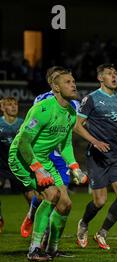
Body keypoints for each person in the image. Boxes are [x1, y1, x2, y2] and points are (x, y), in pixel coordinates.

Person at [8, 69, 87, 261]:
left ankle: (52, 249)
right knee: (52, 195)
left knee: (66, 204)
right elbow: (24, 142)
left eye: (74, 81)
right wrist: (37, 168)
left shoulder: (70, 112)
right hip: (22, 157)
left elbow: (66, 143)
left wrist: (74, 166)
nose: (73, 85)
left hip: (44, 159)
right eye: (68, 82)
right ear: (56, 87)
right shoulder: (42, 109)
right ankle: (34, 249)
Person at [74, 64, 117, 251]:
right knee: (100, 201)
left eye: (115, 74)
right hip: (96, 157)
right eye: (109, 74)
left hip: (116, 157)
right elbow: (77, 125)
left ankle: (102, 232)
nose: (114, 76)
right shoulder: (91, 99)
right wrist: (94, 141)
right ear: (100, 78)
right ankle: (83, 224)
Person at [20, 66, 81, 239]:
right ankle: (32, 213)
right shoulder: (42, 101)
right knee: (48, 196)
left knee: (63, 201)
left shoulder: (73, 103)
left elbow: (74, 126)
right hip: (43, 155)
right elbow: (34, 126)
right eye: (58, 78)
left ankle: (49, 243)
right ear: (52, 83)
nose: (68, 83)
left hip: (61, 157)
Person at [0, 97, 33, 233]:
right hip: (1, 165)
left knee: (31, 196)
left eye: (15, 104)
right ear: (2, 108)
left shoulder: (23, 123)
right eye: (9, 105)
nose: (14, 107)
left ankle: (34, 218)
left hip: (19, 164)